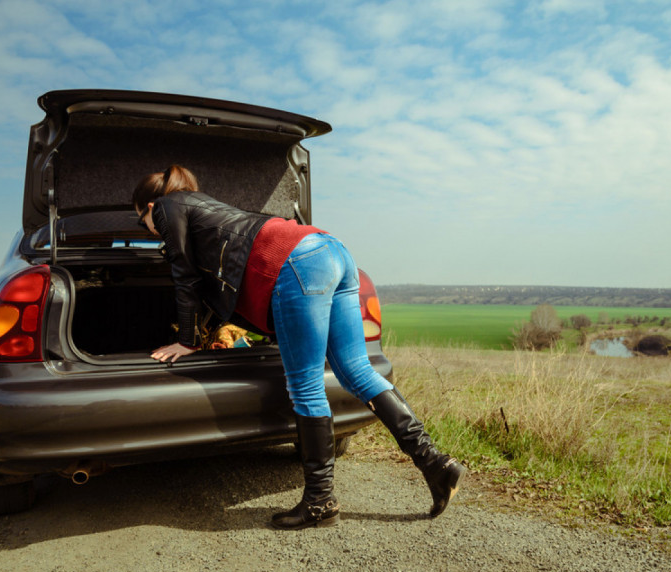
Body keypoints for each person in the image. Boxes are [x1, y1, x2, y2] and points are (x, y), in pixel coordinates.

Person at [132, 165, 466, 530]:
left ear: (149, 206)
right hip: (331, 249)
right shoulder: (206, 209)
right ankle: (436, 464)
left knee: (305, 384)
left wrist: (185, 340)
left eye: (141, 222)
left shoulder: (167, 207)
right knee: (357, 370)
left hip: (295, 263)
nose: (149, 231)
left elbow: (185, 275)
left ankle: (320, 500)